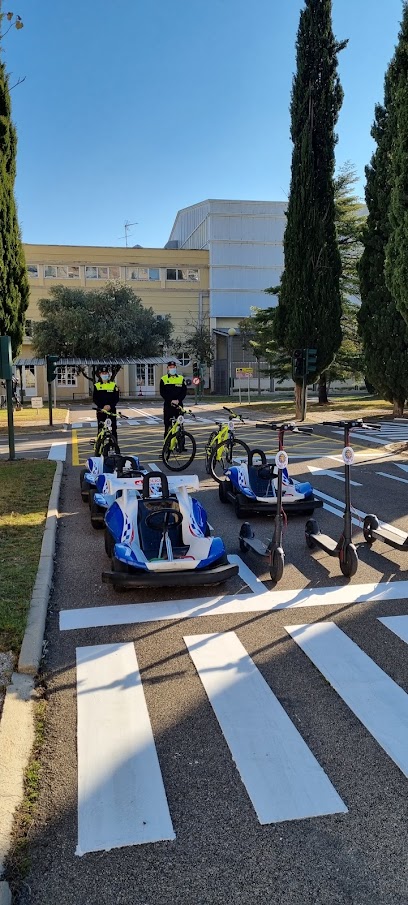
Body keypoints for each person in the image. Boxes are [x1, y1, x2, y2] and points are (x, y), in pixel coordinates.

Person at [159, 360, 187, 437]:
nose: (172, 368)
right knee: (167, 426)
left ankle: (181, 446)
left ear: (176, 368)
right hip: (168, 405)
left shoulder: (181, 378)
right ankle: (167, 447)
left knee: (180, 426)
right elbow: (162, 392)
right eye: (170, 367)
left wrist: (178, 400)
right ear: (167, 368)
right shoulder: (163, 379)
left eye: (173, 367)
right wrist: (171, 400)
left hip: (179, 405)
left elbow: (184, 392)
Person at [93, 367, 120, 439]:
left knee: (113, 429)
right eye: (103, 373)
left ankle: (114, 446)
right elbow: (95, 399)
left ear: (108, 374)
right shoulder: (97, 385)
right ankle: (99, 447)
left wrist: (110, 406)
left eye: (106, 373)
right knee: (100, 429)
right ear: (100, 374)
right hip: (101, 410)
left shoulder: (113, 385)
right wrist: (102, 406)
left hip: (111, 410)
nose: (104, 374)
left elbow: (116, 398)